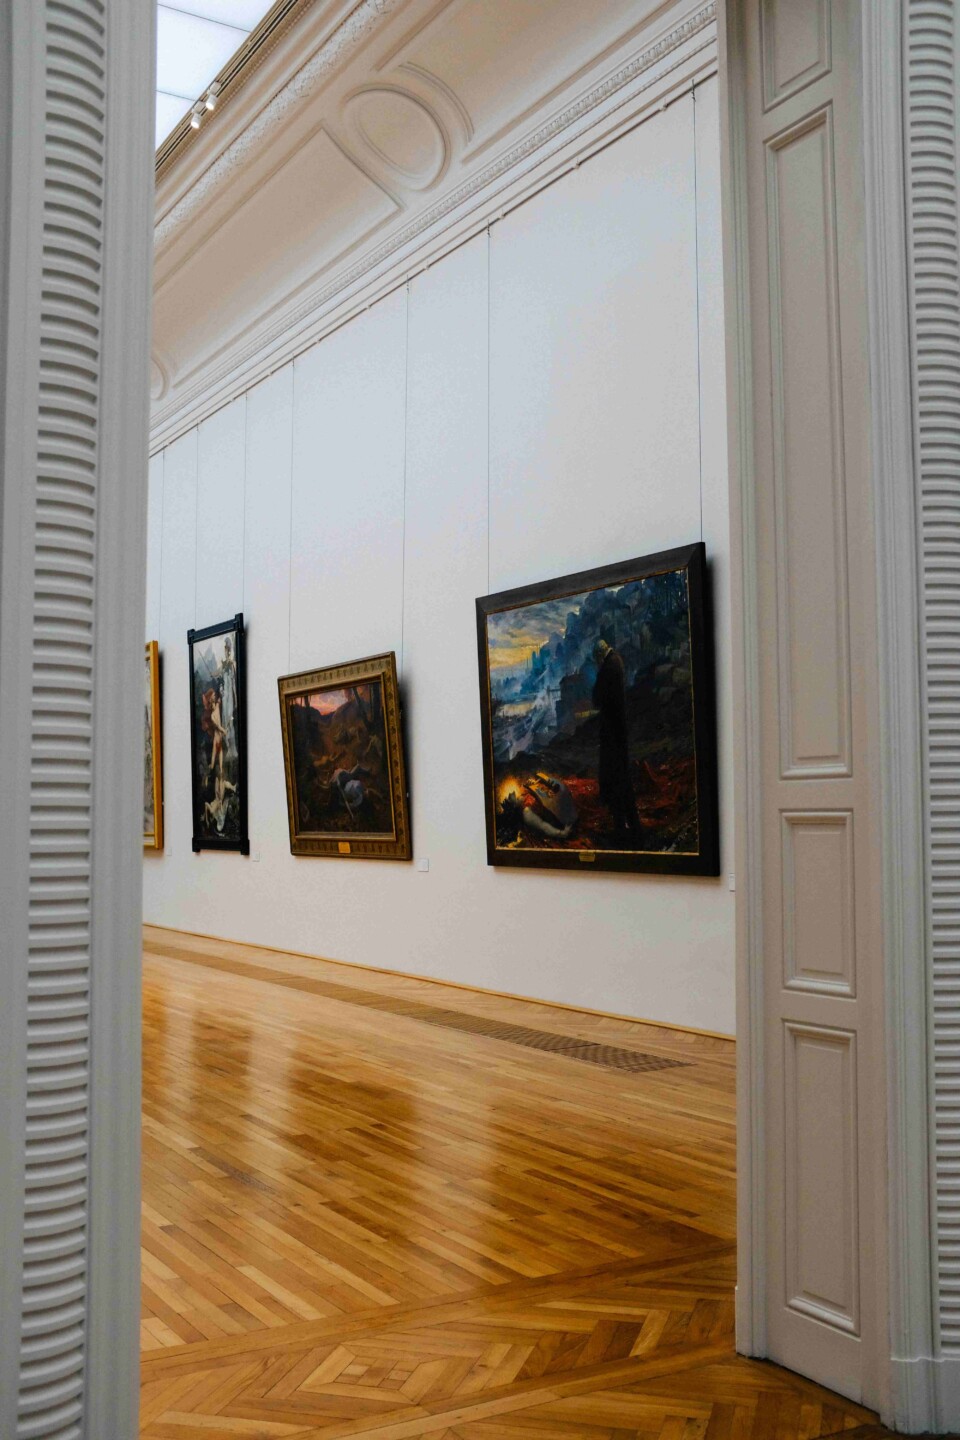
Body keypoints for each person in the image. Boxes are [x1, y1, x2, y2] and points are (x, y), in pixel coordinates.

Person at [592, 638, 640, 838]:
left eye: (596, 660)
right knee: (620, 775)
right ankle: (628, 822)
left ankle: (623, 824)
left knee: (616, 776)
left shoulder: (607, 668)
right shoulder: (616, 661)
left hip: (612, 730)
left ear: (599, 655)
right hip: (617, 728)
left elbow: (597, 698)